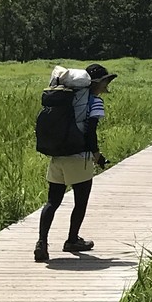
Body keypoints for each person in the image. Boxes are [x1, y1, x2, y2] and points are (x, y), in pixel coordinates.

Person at [36, 62, 113, 262]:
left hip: (58, 155)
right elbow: (91, 132)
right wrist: (98, 156)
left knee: (52, 202)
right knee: (80, 201)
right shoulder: (93, 102)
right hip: (79, 157)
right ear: (97, 83)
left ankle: (42, 243)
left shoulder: (66, 99)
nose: (106, 87)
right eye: (105, 82)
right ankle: (72, 240)